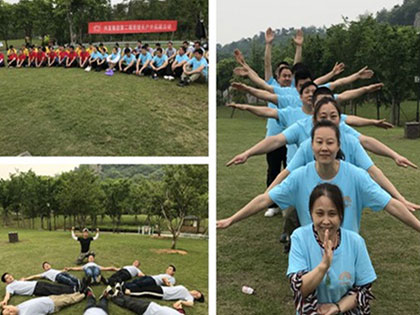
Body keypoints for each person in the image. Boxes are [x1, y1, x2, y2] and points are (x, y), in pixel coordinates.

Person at [217, 119, 420, 234]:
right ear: (310, 145)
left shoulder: (356, 176)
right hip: (310, 255)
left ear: (339, 145)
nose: (324, 148)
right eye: (319, 142)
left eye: (330, 142)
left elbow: (390, 204)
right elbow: (264, 200)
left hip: (347, 254)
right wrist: (232, 219)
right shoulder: (299, 177)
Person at [287, 183, 376, 314]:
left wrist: (337, 307)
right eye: (320, 213)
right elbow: (299, 289)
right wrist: (323, 266)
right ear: (311, 214)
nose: (326, 221)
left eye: (332, 214)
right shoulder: (300, 237)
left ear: (341, 215)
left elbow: (364, 290)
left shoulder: (355, 241)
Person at [0, 273, 77, 306]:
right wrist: (5, 301)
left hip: (38, 283)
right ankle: (74, 291)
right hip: (36, 289)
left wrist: (24, 279)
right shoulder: (9, 287)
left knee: (55, 286)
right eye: (7, 278)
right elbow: (7, 295)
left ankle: (73, 288)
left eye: (9, 275)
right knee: (55, 291)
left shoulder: (17, 281)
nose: (9, 277)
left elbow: (24, 281)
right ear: (6, 282)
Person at [104, 288, 184, 315]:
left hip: (147, 311)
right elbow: (178, 307)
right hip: (152, 305)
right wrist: (181, 304)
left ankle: (111, 296)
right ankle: (119, 294)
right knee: (132, 300)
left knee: (128, 304)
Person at [124, 284, 204, 309]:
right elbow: (174, 289)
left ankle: (129, 293)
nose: (195, 294)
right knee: (144, 287)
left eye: (197, 296)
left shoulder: (189, 296)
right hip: (162, 288)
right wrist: (169, 284)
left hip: (163, 294)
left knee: (146, 292)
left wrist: (181, 301)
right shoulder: (186, 290)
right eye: (197, 292)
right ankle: (128, 288)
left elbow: (191, 304)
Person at [1, 291, 86, 315]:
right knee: (69, 300)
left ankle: (78, 292)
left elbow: (7, 306)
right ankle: (84, 294)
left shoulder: (17, 307)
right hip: (53, 305)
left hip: (49, 298)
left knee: (65, 295)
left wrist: (4, 306)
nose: (10, 312)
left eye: (8, 310)